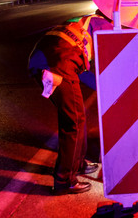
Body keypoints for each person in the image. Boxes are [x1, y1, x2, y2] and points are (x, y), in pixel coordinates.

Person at [27, 11, 114, 195]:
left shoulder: (82, 21)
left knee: (76, 116)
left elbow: (80, 70)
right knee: (73, 121)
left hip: (43, 60)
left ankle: (77, 165)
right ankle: (64, 181)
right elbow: (112, 59)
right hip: (58, 63)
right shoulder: (105, 25)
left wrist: (105, 87)